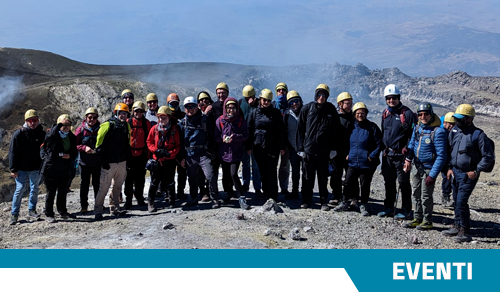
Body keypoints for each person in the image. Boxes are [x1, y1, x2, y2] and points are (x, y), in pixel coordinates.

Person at [443, 104, 495, 242]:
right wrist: (449, 168)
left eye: (460, 118)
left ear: (469, 119)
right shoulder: (455, 131)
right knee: (456, 200)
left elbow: (488, 156)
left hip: (468, 174)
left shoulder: (479, 135)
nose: (457, 121)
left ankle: (464, 230)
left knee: (461, 201)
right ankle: (456, 224)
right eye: (456, 118)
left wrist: (476, 170)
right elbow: (450, 151)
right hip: (455, 172)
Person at [403, 102, 447, 230]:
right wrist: (408, 152)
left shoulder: (438, 131)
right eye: (420, 114)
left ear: (431, 114)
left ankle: (427, 220)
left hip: (428, 169)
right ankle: (417, 218)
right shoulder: (418, 128)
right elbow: (412, 144)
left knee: (426, 196)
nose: (423, 117)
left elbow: (441, 156)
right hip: (417, 167)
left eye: (426, 114)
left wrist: (432, 175)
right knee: (416, 193)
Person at [297, 84, 340, 211]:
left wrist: (333, 149)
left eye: (324, 95)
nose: (321, 97)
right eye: (319, 94)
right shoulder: (307, 108)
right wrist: (300, 149)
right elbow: (300, 129)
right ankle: (306, 200)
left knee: (322, 177)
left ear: (327, 96)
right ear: (316, 95)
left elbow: (335, 131)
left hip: (324, 151)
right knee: (307, 177)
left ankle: (323, 201)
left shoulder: (331, 110)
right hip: (309, 150)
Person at [334, 102, 382, 216]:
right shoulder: (351, 127)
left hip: (366, 163)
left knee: (365, 184)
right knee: (348, 182)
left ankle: (363, 205)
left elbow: (379, 144)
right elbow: (345, 142)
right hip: (353, 161)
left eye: (362, 113)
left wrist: (372, 155)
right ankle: (345, 202)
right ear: (355, 114)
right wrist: (347, 154)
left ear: (366, 114)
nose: (360, 115)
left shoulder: (372, 127)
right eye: (358, 113)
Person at [378, 84, 417, 219]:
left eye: (393, 98)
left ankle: (406, 210)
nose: (391, 100)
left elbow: (413, 137)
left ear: (398, 98)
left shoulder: (407, 114)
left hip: (401, 156)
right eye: (388, 98)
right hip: (388, 155)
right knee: (388, 182)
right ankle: (388, 207)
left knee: (403, 183)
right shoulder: (385, 113)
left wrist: (409, 158)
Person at [179, 97, 220, 209]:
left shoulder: (205, 120)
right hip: (189, 154)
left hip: (203, 153)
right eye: (188, 107)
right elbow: (180, 142)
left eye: (192, 106)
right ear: (184, 108)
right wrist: (182, 157)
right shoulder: (182, 123)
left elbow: (212, 136)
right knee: (192, 178)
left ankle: (214, 198)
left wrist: (210, 152)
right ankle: (193, 198)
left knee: (210, 176)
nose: (190, 109)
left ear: (197, 106)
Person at [246, 89, 286, 202]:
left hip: (273, 147)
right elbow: (249, 130)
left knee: (271, 170)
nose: (266, 102)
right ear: (260, 99)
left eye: (268, 100)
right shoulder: (253, 113)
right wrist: (248, 147)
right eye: (264, 100)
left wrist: (282, 147)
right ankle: (265, 192)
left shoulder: (276, 113)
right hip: (258, 147)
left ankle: (273, 195)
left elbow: (281, 131)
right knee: (262, 171)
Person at [93, 103, 131, 220]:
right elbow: (99, 146)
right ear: (116, 113)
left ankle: (115, 208)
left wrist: (127, 160)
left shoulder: (126, 126)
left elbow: (127, 144)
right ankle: (98, 210)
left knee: (117, 187)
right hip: (109, 163)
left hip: (121, 162)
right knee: (104, 187)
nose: (123, 116)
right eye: (121, 113)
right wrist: (103, 161)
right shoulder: (107, 125)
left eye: (125, 114)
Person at [8, 109, 46, 225]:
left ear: (38, 120)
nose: (33, 123)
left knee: (34, 189)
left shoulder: (42, 133)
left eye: (35, 120)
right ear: (26, 121)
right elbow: (12, 152)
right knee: (19, 190)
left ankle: (32, 210)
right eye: (30, 121)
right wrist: (13, 169)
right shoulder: (19, 134)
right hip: (21, 169)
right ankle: (14, 214)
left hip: (35, 168)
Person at [40, 114, 78, 223]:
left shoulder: (71, 136)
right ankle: (49, 214)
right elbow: (50, 137)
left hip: (64, 168)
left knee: (62, 192)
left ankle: (62, 211)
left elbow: (74, 151)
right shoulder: (52, 134)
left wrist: (70, 155)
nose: (66, 127)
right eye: (63, 124)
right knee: (50, 192)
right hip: (51, 168)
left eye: (68, 124)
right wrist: (59, 125)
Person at [215, 98, 250, 209]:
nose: (231, 110)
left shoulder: (240, 120)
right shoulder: (220, 120)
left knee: (234, 174)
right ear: (225, 108)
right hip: (224, 153)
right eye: (229, 108)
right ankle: (227, 194)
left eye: (233, 107)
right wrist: (222, 138)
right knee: (226, 175)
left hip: (236, 153)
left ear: (237, 108)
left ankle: (241, 197)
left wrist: (235, 137)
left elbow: (245, 135)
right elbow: (216, 136)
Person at [146, 106, 181, 212]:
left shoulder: (174, 130)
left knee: (170, 180)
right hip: (157, 159)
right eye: (160, 117)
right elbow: (149, 142)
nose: (162, 120)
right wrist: (155, 150)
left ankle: (171, 201)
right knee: (155, 181)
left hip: (170, 160)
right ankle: (150, 203)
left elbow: (177, 146)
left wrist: (170, 153)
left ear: (169, 117)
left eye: (164, 117)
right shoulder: (154, 129)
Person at [207, 82, 236, 199]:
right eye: (219, 93)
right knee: (213, 170)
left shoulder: (233, 105)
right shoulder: (213, 108)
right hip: (216, 143)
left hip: (228, 144)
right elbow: (208, 126)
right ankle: (213, 193)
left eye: (223, 92)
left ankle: (228, 191)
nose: (221, 95)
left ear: (227, 93)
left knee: (227, 170)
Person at [124, 101, 151, 209]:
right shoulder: (128, 122)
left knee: (140, 178)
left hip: (141, 155)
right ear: (133, 111)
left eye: (140, 111)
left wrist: (148, 155)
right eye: (136, 111)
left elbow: (149, 139)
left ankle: (139, 197)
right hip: (130, 155)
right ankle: (128, 199)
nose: (138, 113)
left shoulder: (146, 123)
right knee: (129, 178)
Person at [330, 92, 355, 206]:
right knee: (336, 174)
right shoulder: (334, 117)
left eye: (351, 103)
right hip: (337, 151)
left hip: (350, 151)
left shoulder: (354, 118)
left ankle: (352, 196)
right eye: (347, 103)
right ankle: (336, 195)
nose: (350, 105)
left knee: (352, 175)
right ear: (340, 104)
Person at [75, 107, 101, 214]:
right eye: (90, 117)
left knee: (97, 184)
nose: (92, 119)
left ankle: (98, 204)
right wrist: (84, 148)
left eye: (94, 117)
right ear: (86, 118)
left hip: (97, 162)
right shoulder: (80, 130)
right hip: (84, 162)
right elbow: (75, 145)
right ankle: (84, 206)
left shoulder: (100, 128)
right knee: (84, 185)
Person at [239, 85, 262, 196]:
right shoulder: (240, 103)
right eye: (247, 98)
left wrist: (253, 105)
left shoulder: (259, 104)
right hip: (244, 139)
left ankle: (257, 187)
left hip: (256, 139)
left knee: (256, 165)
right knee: (245, 163)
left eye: (251, 97)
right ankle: (246, 184)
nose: (249, 99)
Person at [283, 90, 303, 200]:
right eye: (291, 102)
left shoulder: (305, 112)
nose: (294, 104)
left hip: (304, 147)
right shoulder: (287, 114)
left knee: (305, 171)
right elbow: (284, 130)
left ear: (300, 101)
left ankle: (305, 192)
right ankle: (295, 191)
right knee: (295, 171)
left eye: (296, 101)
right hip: (292, 147)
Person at [167, 93, 187, 200]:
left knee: (182, 172)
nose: (174, 105)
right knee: (169, 173)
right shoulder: (166, 116)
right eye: (172, 103)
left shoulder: (183, 116)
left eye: (176, 103)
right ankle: (169, 194)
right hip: (169, 149)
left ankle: (180, 192)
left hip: (181, 148)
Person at [275, 82, 291, 195]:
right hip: (274, 141)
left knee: (285, 165)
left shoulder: (290, 106)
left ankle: (284, 187)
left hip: (286, 140)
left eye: (283, 90)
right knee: (272, 165)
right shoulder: (272, 105)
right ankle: (272, 188)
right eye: (279, 90)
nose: (281, 92)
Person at [440, 112, 456, 207]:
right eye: (449, 124)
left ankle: (447, 197)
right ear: (445, 123)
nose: (451, 126)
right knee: (447, 178)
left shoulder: (454, 133)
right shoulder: (442, 132)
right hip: (443, 158)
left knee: (448, 178)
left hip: (449, 159)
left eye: (453, 124)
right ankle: (445, 198)